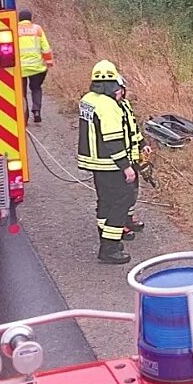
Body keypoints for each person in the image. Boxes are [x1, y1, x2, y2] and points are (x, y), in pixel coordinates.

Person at [77, 60, 136, 265]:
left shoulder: (88, 99)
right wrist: (126, 167)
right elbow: (112, 141)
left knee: (105, 201)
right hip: (110, 164)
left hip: (95, 162)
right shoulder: (109, 106)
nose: (120, 92)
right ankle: (109, 247)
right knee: (122, 200)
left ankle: (106, 238)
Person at [115, 75, 150, 239]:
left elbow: (133, 129)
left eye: (121, 89)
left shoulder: (126, 105)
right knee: (121, 193)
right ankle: (119, 223)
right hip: (120, 159)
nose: (119, 92)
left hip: (132, 157)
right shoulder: (110, 109)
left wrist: (143, 144)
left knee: (133, 190)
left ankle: (128, 218)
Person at [17, 9, 54, 123]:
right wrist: (49, 61)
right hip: (37, 67)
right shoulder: (37, 29)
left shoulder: (14, 30)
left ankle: (25, 117)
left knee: (21, 93)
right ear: (30, 18)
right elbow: (45, 47)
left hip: (20, 69)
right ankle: (36, 110)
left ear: (19, 19)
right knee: (36, 88)